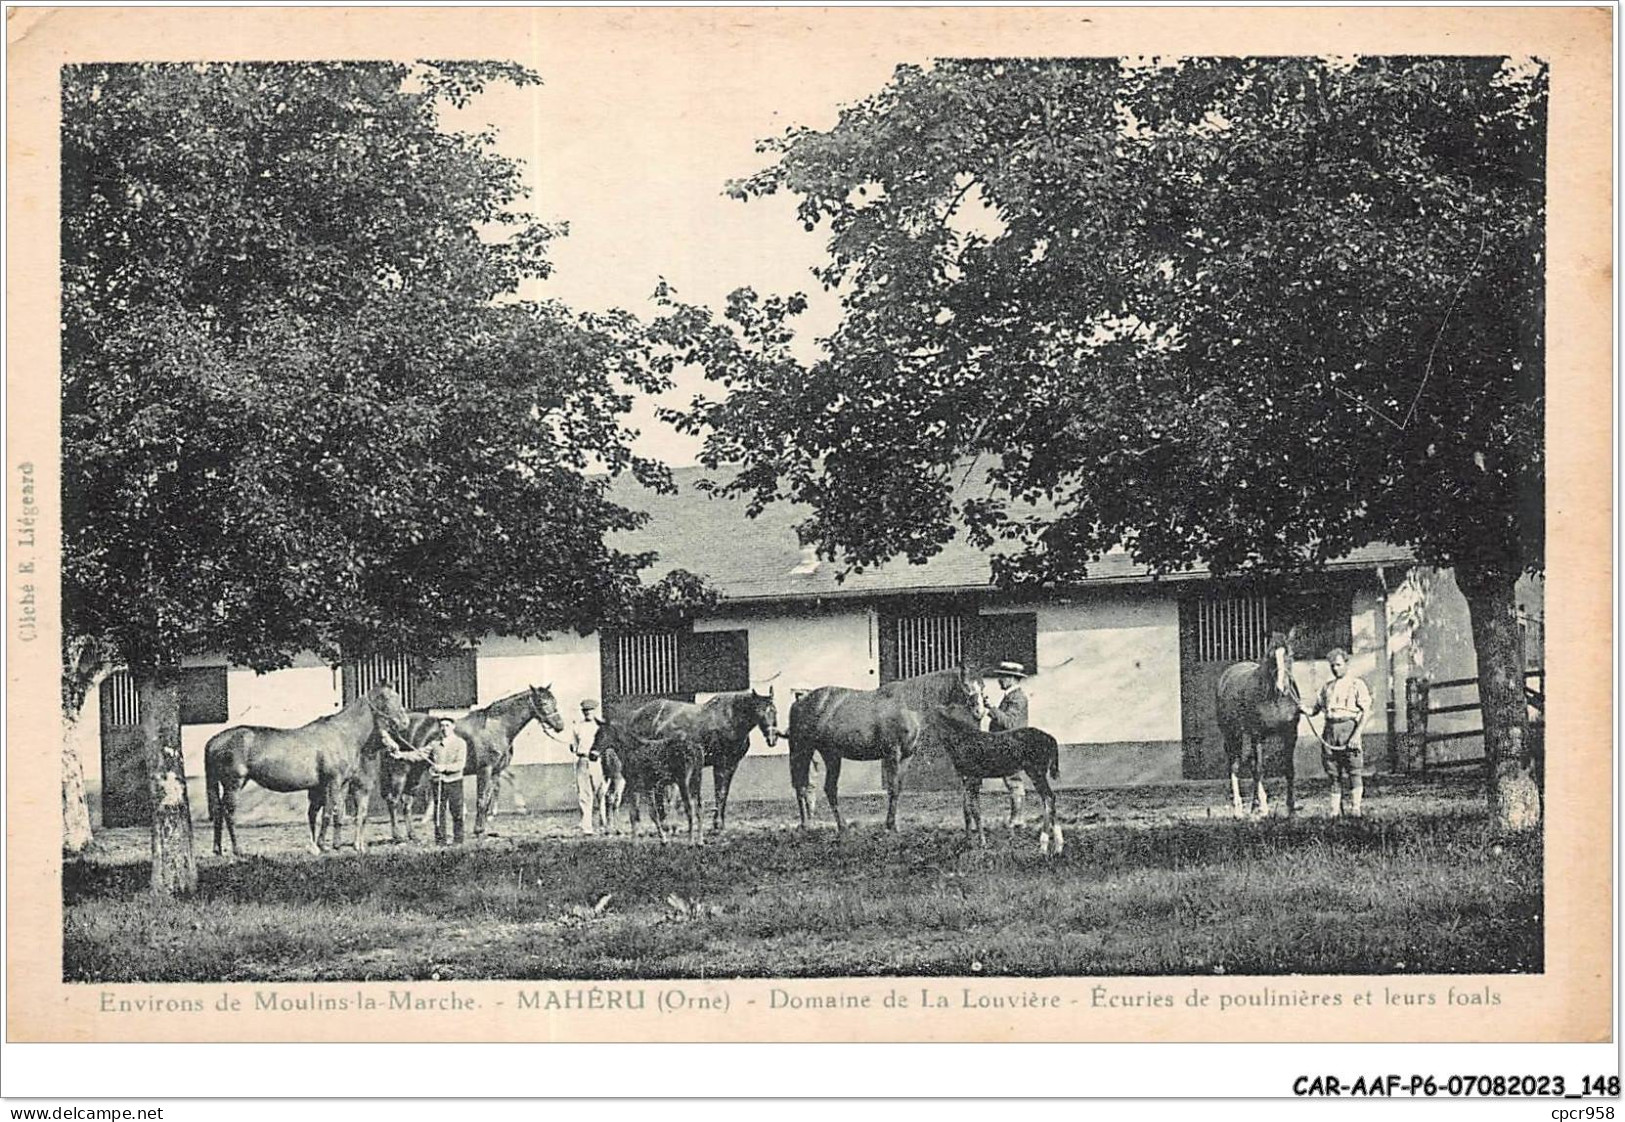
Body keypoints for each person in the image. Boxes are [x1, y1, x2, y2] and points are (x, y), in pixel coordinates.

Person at [1303, 647, 1372, 817]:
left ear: (1346, 664)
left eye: (1339, 665)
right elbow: (1315, 710)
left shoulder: (1357, 684)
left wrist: (1356, 735)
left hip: (1349, 728)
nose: (1335, 669)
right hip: (1330, 730)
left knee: (1354, 770)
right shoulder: (1327, 687)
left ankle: (1356, 809)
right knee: (1333, 772)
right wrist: (1303, 708)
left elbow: (1366, 711)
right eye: (1333, 666)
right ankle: (1334, 812)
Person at [986, 660, 1031, 825]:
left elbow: (1010, 723)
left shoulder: (1018, 698)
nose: (999, 680)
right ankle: (1017, 818)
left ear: (1013, 678)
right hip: (1008, 744)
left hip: (1013, 746)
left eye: (1003, 677)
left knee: (1013, 781)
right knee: (1012, 781)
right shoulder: (1011, 696)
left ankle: (1018, 819)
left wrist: (992, 709)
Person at [430, 716, 469, 845]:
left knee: (457, 812)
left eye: (447, 725)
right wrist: (401, 754)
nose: (444, 728)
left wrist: (443, 768)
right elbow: (420, 754)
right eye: (442, 726)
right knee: (438, 813)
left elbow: (460, 764)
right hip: (438, 783)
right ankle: (440, 841)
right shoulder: (434, 743)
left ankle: (458, 840)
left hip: (454, 782)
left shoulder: (460, 743)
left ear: (453, 727)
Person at [571, 698, 607, 836]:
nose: (587, 713)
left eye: (590, 710)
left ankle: (604, 824)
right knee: (584, 794)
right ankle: (587, 827)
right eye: (585, 711)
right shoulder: (577, 726)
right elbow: (573, 745)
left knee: (601, 792)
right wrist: (573, 747)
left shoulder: (600, 726)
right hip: (583, 760)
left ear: (595, 711)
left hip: (597, 762)